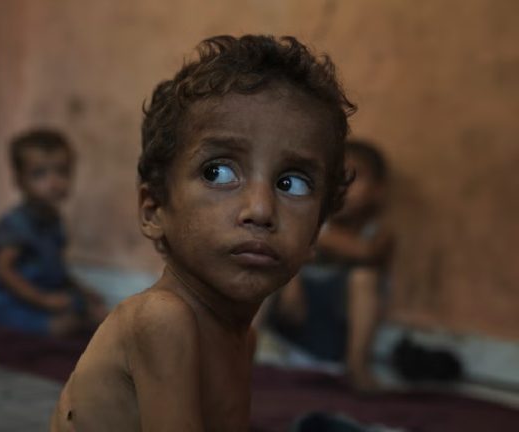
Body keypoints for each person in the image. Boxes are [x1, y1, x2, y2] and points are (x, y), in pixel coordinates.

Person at [51, 34, 356, 431]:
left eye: (292, 183)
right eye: (219, 172)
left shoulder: (242, 338)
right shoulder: (162, 320)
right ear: (153, 209)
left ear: (315, 233)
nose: (261, 209)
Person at [269, 139, 392, 391]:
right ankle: (248, 346)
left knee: (364, 277)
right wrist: (292, 283)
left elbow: (366, 252)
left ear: (377, 190)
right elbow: (286, 250)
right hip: (291, 323)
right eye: (335, 179)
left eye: (353, 178)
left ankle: (357, 366)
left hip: (333, 334)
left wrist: (317, 240)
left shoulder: (378, 232)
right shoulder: (312, 220)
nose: (342, 188)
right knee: (268, 262)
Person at [0, 129, 107, 336]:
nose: (54, 183)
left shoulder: (54, 222)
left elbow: (55, 267)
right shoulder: (15, 226)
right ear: (19, 181)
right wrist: (43, 300)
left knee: (95, 311)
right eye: (40, 174)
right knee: (60, 327)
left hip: (46, 292)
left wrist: (82, 290)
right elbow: (4, 271)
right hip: (12, 300)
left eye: (62, 172)